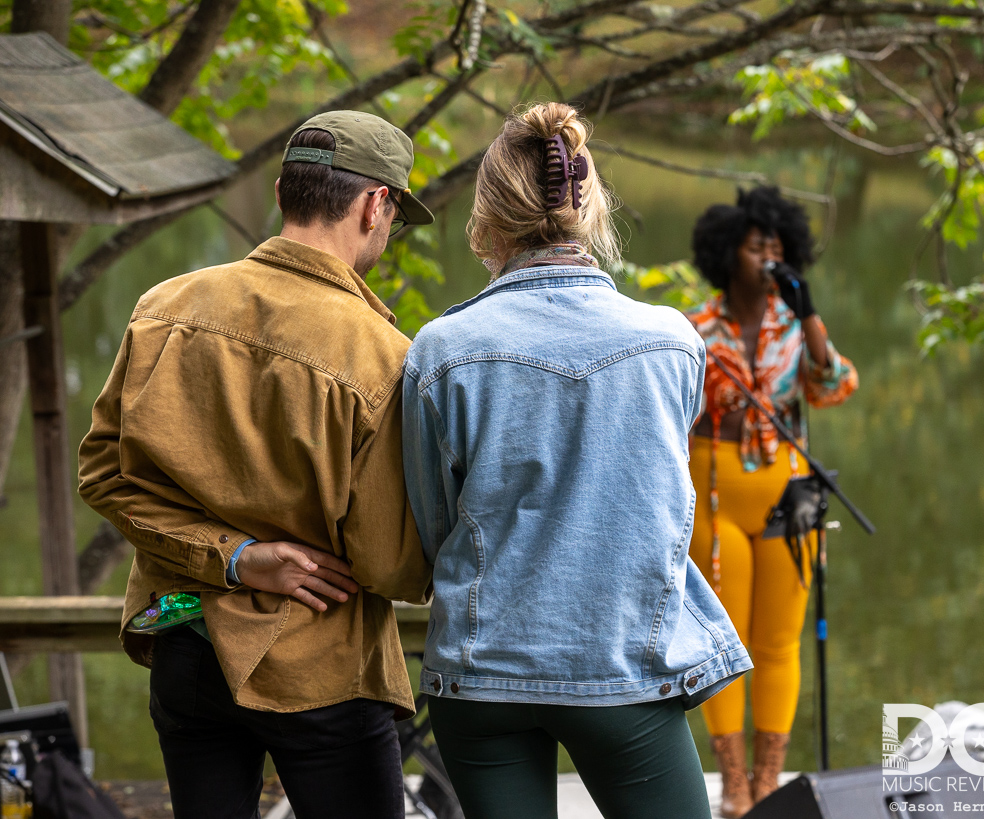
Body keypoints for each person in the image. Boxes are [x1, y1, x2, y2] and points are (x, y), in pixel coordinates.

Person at [78, 111, 435, 819]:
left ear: (281, 191)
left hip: (184, 643)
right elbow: (390, 563)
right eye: (394, 214)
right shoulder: (384, 357)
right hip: (322, 665)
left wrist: (239, 557)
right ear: (375, 205)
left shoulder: (162, 308)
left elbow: (104, 476)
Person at [401, 102, 752, 819]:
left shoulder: (440, 348)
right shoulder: (674, 340)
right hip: (624, 663)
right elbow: (655, 493)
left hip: (483, 669)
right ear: (592, 209)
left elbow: (432, 527)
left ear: (487, 221)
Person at [686, 187, 858, 816]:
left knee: (780, 641)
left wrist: (807, 312)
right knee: (724, 638)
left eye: (777, 248)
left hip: (790, 495)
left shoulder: (795, 325)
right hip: (715, 494)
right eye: (757, 246)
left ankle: (769, 780)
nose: (767, 257)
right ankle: (732, 782)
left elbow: (833, 385)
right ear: (728, 252)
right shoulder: (696, 328)